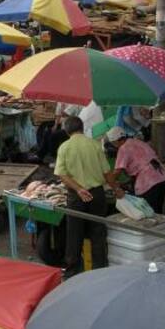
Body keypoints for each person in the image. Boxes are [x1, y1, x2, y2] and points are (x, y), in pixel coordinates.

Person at [55, 116, 114, 277]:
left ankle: (72, 272)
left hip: (76, 196)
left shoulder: (64, 147)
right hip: (96, 194)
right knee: (98, 231)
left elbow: (62, 174)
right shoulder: (95, 145)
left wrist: (79, 189)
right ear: (82, 128)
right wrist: (117, 189)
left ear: (67, 131)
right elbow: (107, 172)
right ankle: (99, 270)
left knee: (74, 233)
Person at [105, 127, 165, 213]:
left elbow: (117, 172)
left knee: (149, 211)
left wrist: (109, 180)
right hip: (162, 177)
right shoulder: (138, 142)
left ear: (115, 141)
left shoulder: (123, 148)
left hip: (148, 182)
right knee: (158, 210)